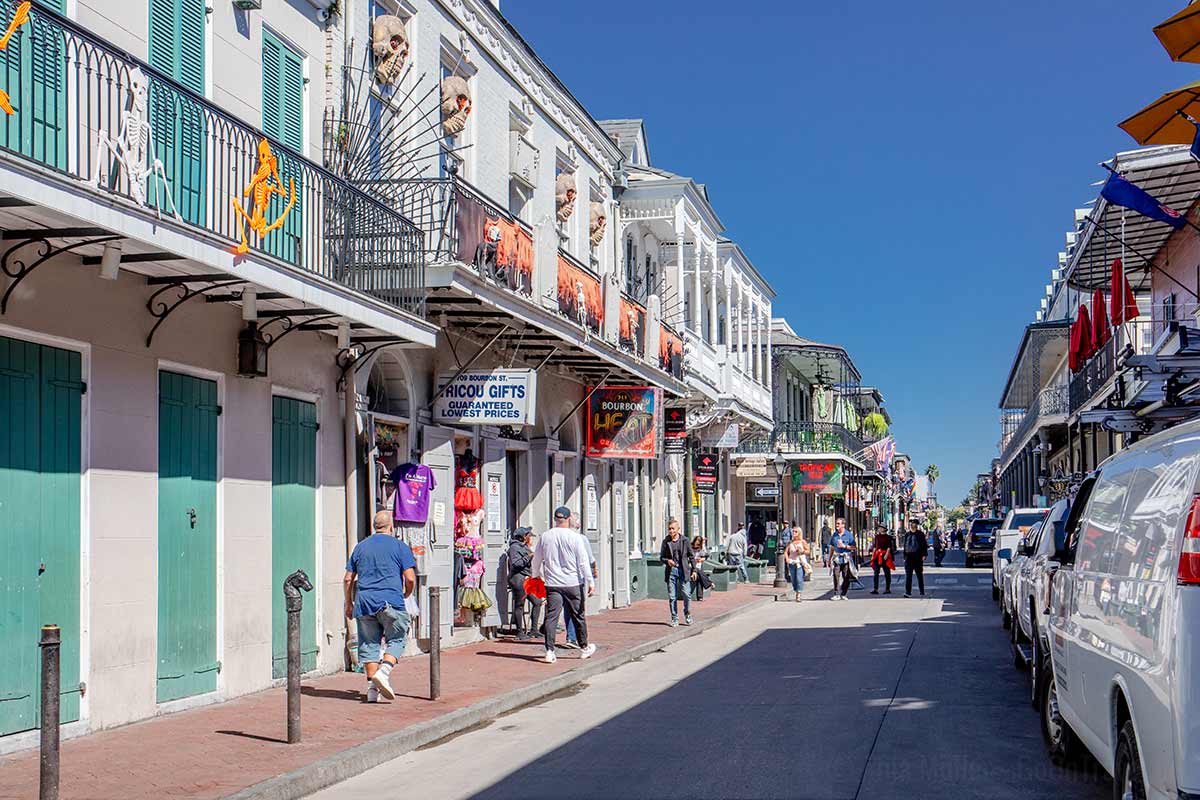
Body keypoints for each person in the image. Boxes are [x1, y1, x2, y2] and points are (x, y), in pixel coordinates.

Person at [344, 510, 417, 702]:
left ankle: (371, 691)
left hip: (364, 601)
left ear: (374, 527)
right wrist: (407, 594)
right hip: (391, 601)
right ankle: (383, 672)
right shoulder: (400, 547)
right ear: (391, 526)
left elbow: (347, 579)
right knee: (398, 637)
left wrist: (349, 603)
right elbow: (410, 578)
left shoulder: (360, 547)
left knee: (369, 644)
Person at [531, 506, 596, 663]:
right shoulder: (575, 538)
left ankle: (549, 650)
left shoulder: (546, 536)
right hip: (573, 582)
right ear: (568, 519)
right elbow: (583, 562)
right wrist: (590, 581)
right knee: (578, 615)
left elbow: (536, 559)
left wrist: (535, 577)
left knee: (552, 616)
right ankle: (584, 647)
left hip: (553, 583)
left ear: (555, 519)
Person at [563, 518, 598, 648]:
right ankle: (575, 638)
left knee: (567, 608)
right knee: (577, 609)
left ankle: (570, 636)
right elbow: (589, 559)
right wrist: (593, 575)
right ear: (577, 524)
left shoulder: (559, 536)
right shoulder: (581, 538)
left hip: (560, 579)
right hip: (577, 578)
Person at [506, 527, 543, 641]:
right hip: (518, 579)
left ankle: (534, 630)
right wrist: (529, 556)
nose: (530, 538)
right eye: (528, 536)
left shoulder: (524, 547)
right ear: (522, 537)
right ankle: (519, 632)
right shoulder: (514, 548)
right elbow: (516, 564)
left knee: (537, 602)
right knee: (520, 604)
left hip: (527, 578)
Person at [659, 518, 696, 626]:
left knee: (686, 594)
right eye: (669, 529)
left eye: (673, 529)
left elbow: (691, 556)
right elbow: (661, 557)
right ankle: (674, 618)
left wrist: (694, 570)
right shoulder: (666, 541)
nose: (671, 531)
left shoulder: (685, 540)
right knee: (672, 596)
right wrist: (667, 561)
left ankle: (687, 614)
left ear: (678, 529)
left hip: (683, 570)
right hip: (671, 571)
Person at [829, 517, 856, 600]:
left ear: (843, 525)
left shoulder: (848, 535)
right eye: (836, 523)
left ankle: (844, 593)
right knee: (835, 575)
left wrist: (845, 546)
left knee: (846, 576)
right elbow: (832, 547)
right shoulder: (834, 535)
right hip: (837, 558)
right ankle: (836, 594)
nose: (837, 525)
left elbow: (854, 547)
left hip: (846, 558)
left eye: (838, 523)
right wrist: (829, 558)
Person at [902, 519, 928, 598]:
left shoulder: (920, 534)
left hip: (917, 556)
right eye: (911, 523)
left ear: (916, 525)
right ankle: (908, 592)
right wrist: (904, 556)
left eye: (914, 524)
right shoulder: (907, 534)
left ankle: (922, 591)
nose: (912, 525)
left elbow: (924, 545)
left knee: (919, 575)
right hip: (908, 557)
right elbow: (905, 545)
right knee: (908, 575)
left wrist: (924, 555)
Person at [869, 523, 896, 595]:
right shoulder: (877, 537)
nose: (880, 529)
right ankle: (875, 588)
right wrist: (873, 555)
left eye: (881, 527)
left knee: (887, 572)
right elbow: (875, 546)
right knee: (876, 572)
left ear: (884, 529)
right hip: (878, 555)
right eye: (879, 527)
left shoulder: (888, 537)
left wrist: (887, 554)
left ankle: (887, 588)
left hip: (885, 555)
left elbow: (889, 547)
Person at [784, 528, 809, 602]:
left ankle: (798, 594)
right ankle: (796, 589)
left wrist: (802, 551)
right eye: (793, 531)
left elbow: (808, 551)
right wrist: (787, 559)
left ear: (799, 533)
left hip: (799, 563)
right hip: (792, 562)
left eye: (796, 532)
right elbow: (786, 551)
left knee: (799, 579)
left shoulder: (802, 542)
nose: (794, 533)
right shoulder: (790, 542)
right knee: (793, 580)